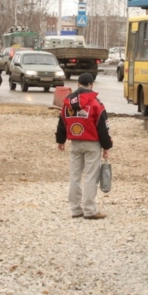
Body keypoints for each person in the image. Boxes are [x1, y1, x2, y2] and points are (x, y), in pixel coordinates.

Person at [56, 73, 113, 220]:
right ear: (91, 85)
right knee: (90, 177)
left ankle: (75, 209)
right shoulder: (95, 103)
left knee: (74, 177)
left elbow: (62, 122)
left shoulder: (68, 102)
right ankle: (90, 210)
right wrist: (107, 146)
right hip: (92, 144)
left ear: (78, 84)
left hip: (75, 143)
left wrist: (60, 140)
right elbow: (103, 127)